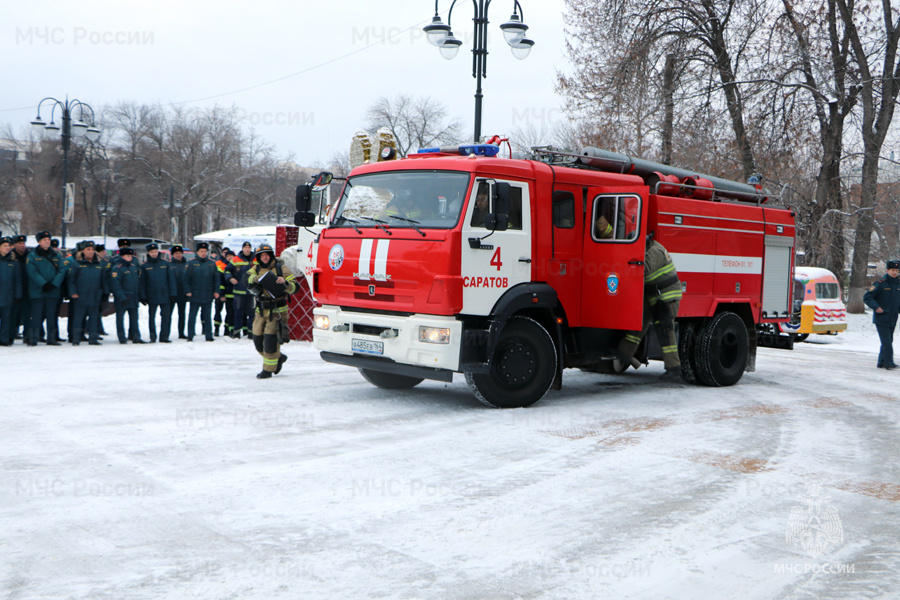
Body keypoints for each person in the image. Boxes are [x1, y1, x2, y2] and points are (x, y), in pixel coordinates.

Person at [616, 235, 683, 382]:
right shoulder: (650, 249)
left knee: (665, 330)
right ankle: (624, 352)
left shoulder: (654, 252)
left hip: (666, 297)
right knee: (638, 321)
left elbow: (643, 269)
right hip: (654, 296)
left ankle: (674, 368)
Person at [247, 244, 298, 378]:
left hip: (276, 313)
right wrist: (257, 278)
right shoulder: (256, 268)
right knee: (257, 340)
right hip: (260, 311)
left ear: (271, 255)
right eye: (262, 255)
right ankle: (279, 357)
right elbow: (246, 279)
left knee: (270, 342)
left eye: (267, 255)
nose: (265, 257)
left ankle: (268, 370)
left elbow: (295, 287)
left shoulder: (282, 268)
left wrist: (285, 284)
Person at [25, 231, 68, 346]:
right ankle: (33, 338)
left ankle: (52, 338)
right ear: (39, 242)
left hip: (53, 290)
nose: (47, 241)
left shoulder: (56, 255)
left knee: (52, 316)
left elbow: (62, 270)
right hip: (38, 291)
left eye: (48, 239)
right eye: (44, 240)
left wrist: (54, 284)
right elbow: (32, 272)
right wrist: (43, 284)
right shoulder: (32, 256)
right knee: (36, 316)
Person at [67, 241, 107, 345]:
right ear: (83, 251)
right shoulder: (77, 264)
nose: (90, 252)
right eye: (88, 249)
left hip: (95, 295)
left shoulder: (99, 264)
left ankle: (93, 338)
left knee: (94, 318)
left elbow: (104, 280)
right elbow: (71, 280)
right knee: (78, 318)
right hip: (81, 295)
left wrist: (104, 293)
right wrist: (73, 293)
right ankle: (76, 338)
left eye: (92, 249)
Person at [864, 259, 900, 370]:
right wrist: (876, 307)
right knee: (886, 341)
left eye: (897, 270)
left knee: (888, 340)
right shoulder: (880, 283)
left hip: (893, 317)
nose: (894, 272)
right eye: (892, 270)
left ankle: (881, 362)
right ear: (887, 270)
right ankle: (889, 363)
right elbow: (867, 297)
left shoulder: (898, 284)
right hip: (882, 317)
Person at [141, 242, 176, 343]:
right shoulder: (145, 266)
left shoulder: (165, 264)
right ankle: (153, 336)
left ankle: (164, 336)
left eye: (155, 251)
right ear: (148, 253)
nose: (154, 254)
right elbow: (142, 282)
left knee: (166, 317)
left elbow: (171, 279)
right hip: (151, 295)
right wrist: (143, 296)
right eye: (152, 252)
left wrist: (173, 293)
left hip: (165, 295)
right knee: (152, 318)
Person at [185, 241, 220, 342]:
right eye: (201, 251)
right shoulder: (191, 263)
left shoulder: (211, 264)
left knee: (207, 316)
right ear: (197, 252)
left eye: (205, 251)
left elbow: (216, 279)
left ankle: (209, 335)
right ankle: (190, 335)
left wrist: (216, 291)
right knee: (192, 316)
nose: (203, 253)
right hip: (195, 294)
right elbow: (186, 279)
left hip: (207, 294)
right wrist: (188, 291)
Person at [109, 247, 145, 344]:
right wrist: (122, 297)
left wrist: (141, 295)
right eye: (127, 256)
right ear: (122, 256)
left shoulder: (133, 267)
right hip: (123, 298)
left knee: (134, 319)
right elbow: (115, 285)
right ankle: (122, 337)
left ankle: (136, 336)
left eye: (131, 256)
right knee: (120, 318)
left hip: (133, 297)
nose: (129, 258)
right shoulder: (117, 268)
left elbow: (138, 282)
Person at [226, 242, 256, 338]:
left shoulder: (255, 259)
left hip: (252, 291)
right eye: (245, 247)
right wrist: (230, 278)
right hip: (239, 291)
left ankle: (251, 332)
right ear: (242, 249)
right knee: (238, 313)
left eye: (249, 247)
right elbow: (227, 270)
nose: (247, 249)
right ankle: (236, 332)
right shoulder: (236, 259)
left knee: (252, 314)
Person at [0, 236, 22, 346]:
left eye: (9, 246)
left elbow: (17, 280)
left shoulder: (13, 262)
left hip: (8, 296)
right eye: (4, 246)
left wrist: (18, 295)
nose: (7, 248)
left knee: (6, 319)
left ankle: (4, 339)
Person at [168, 245, 190, 339]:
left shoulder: (187, 264)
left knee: (182, 314)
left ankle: (181, 333)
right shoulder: (169, 265)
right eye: (176, 253)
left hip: (182, 293)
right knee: (168, 315)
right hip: (171, 293)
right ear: (172, 255)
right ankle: (166, 333)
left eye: (180, 253)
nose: (178, 255)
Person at [11, 235, 30, 340]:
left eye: (23, 243)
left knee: (27, 314)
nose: (22, 245)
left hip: (27, 288)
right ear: (15, 245)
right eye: (19, 243)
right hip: (14, 290)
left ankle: (27, 335)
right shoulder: (11, 256)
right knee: (14, 313)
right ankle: (13, 332)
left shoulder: (30, 255)